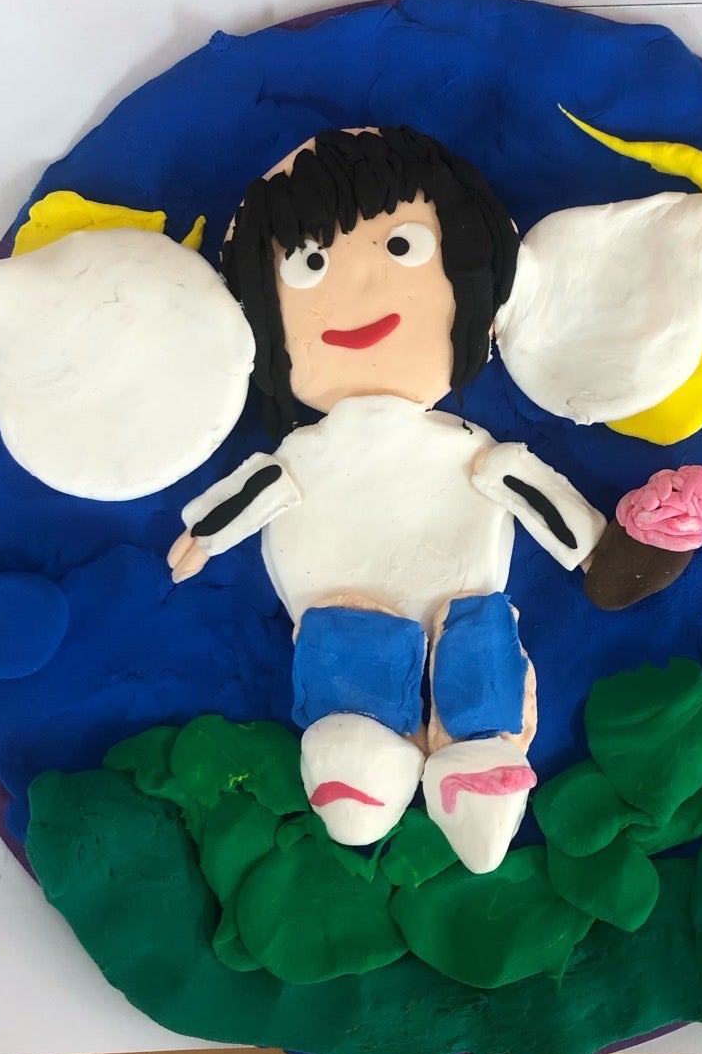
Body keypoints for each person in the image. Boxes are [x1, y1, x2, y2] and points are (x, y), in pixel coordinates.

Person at [167, 127, 606, 874]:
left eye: (402, 247)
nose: (357, 294)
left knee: (479, 656)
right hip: (342, 606)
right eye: (308, 264)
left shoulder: (462, 444)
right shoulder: (309, 451)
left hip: (464, 597)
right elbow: (264, 485)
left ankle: (479, 763)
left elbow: (521, 482)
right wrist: (206, 534)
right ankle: (360, 764)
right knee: (351, 668)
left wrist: (595, 548)